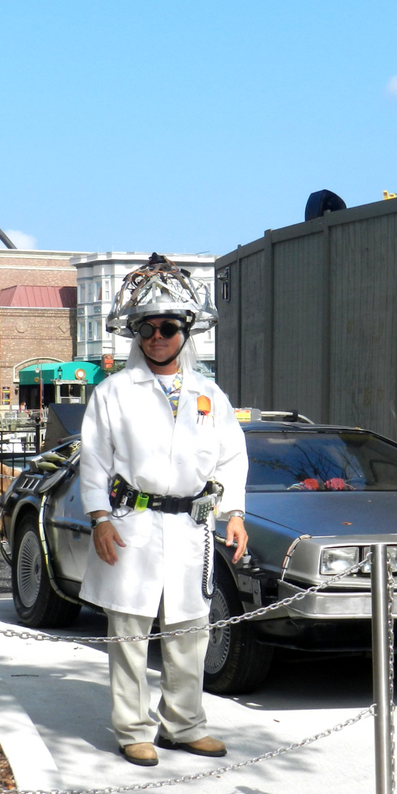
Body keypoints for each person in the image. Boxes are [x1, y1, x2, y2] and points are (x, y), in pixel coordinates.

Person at [79, 253, 248, 767]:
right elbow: (93, 460)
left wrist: (235, 512)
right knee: (128, 632)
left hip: (191, 527)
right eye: (147, 327)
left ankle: (184, 724)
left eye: (168, 327)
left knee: (189, 632)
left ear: (185, 332)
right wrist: (98, 519)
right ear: (135, 334)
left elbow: (233, 456)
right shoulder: (113, 393)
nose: (157, 336)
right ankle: (133, 729)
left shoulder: (209, 395)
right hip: (132, 522)